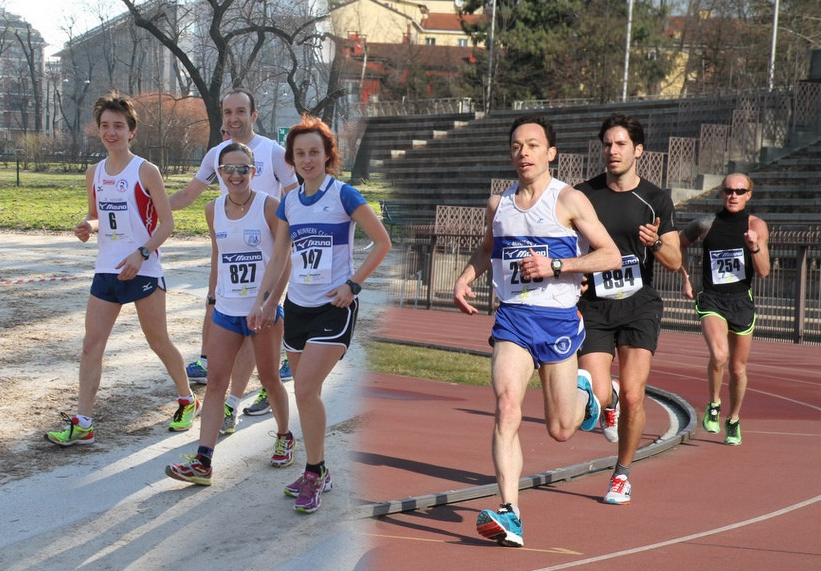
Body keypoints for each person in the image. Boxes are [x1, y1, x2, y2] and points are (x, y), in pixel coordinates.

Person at [453, 115, 621, 547]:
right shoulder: (500, 204)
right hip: (513, 320)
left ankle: (595, 394)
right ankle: (510, 513)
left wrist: (558, 265)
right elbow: (489, 249)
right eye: (516, 146)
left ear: (550, 153)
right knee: (507, 405)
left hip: (559, 322)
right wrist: (465, 277)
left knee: (561, 429)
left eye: (532, 145)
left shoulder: (568, 201)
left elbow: (611, 256)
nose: (523, 153)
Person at [248, 114, 391, 513]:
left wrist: (353, 284)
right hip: (297, 306)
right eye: (300, 154)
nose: (308, 159)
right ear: (291, 160)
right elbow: (279, 257)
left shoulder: (344, 194)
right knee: (305, 393)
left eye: (315, 152)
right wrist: (264, 302)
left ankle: (314, 472)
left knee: (306, 388)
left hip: (334, 307)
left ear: (328, 155)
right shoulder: (290, 202)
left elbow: (382, 242)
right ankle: (319, 470)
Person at [45, 93, 198, 446]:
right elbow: (97, 217)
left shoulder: (146, 170)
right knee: (90, 345)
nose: (110, 133)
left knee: (158, 342)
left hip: (142, 269)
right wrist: (87, 226)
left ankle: (188, 400)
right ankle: (83, 423)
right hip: (106, 269)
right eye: (105, 126)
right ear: (98, 131)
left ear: (132, 132)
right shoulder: (94, 172)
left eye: (118, 126)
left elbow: (167, 224)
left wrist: (141, 254)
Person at [169, 88, 299, 432]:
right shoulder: (216, 155)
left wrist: (292, 238)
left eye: (240, 111)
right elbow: (188, 194)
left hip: (270, 259)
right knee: (227, 324)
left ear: (254, 115)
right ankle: (231, 401)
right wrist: (147, 207)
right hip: (232, 255)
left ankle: (234, 401)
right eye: (228, 112)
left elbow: (294, 196)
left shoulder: (273, 152)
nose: (234, 118)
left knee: (254, 331)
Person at [165, 142, 294, 485]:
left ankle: (284, 436)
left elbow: (285, 261)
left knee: (269, 379)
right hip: (226, 310)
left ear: (254, 172)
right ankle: (203, 461)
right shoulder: (212, 209)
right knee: (215, 384)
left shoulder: (271, 207)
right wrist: (211, 298)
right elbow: (218, 257)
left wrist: (269, 304)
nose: (236, 175)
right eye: (229, 170)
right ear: (219, 174)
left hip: (263, 312)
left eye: (243, 169)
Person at [575, 113, 682, 505]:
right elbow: (566, 244)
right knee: (598, 392)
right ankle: (610, 403)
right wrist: (575, 274)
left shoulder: (655, 199)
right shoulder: (583, 195)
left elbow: (673, 260)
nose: (612, 151)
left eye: (620, 144)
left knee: (637, 395)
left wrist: (654, 243)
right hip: (596, 306)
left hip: (638, 305)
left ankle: (621, 475)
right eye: (607, 144)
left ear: (638, 150)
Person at [678, 173, 770, 446]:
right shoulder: (706, 224)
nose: (733, 195)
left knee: (738, 369)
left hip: (741, 301)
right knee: (719, 354)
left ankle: (733, 419)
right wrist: (686, 278)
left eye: (740, 191)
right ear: (721, 193)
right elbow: (679, 243)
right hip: (712, 299)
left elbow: (764, 271)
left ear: (748, 195)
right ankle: (714, 404)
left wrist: (754, 247)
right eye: (729, 190)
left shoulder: (757, 226)